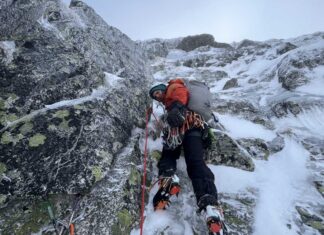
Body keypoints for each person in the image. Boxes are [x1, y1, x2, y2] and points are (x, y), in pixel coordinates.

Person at [149, 78, 225, 234]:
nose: (157, 96)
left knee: (187, 159)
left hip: (184, 126)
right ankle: (208, 203)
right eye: (154, 95)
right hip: (189, 129)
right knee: (181, 158)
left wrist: (176, 108)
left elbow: (180, 93)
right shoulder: (168, 103)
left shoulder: (174, 86)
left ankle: (170, 179)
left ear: (164, 88)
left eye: (158, 92)